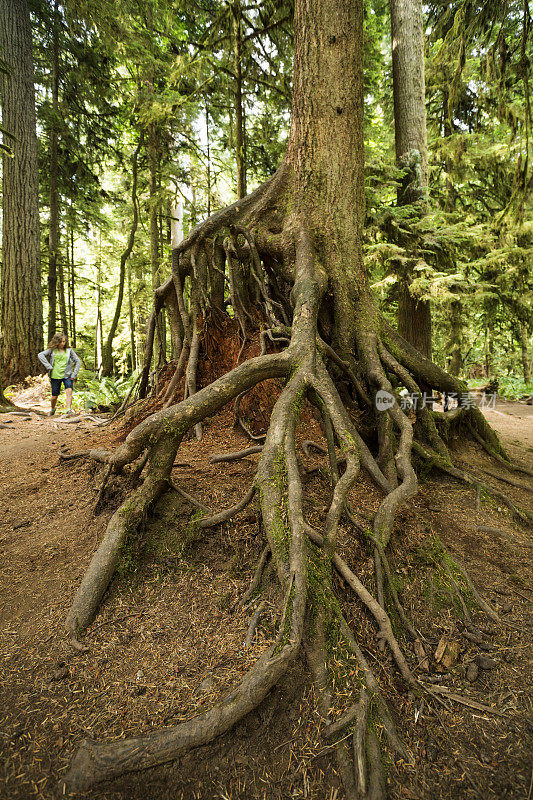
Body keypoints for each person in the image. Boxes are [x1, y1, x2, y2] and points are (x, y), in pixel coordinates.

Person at [38, 333, 82, 417]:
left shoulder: (69, 350)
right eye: (61, 342)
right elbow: (40, 355)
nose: (63, 343)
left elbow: (78, 361)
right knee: (54, 396)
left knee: (69, 390)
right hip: (55, 376)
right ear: (57, 342)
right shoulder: (52, 350)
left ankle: (68, 410)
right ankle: (53, 409)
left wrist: (74, 374)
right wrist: (48, 366)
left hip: (67, 375)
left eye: (64, 341)